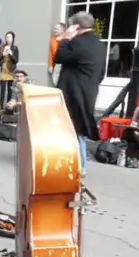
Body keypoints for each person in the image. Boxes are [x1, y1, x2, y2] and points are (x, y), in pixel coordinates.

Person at [55, 12, 106, 178]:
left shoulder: (76, 42)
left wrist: (65, 39)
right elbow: (101, 73)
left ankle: (78, 166)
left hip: (73, 93)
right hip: (89, 92)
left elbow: (59, 56)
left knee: (71, 129)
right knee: (78, 130)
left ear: (76, 27)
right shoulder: (99, 44)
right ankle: (78, 165)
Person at [0, 31, 19, 107]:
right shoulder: (2, 47)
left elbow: (16, 61)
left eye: (9, 37)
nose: (8, 39)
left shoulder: (15, 48)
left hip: (11, 71)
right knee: (2, 90)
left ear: (13, 39)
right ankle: (1, 106)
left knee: (10, 90)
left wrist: (11, 54)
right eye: (6, 37)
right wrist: (3, 55)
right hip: (3, 70)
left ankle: (8, 107)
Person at [48, 22, 65, 87]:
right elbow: (51, 53)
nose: (55, 30)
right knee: (55, 81)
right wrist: (50, 65)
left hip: (66, 64)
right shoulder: (53, 40)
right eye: (54, 29)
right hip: (57, 63)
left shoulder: (67, 38)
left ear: (62, 30)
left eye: (57, 29)